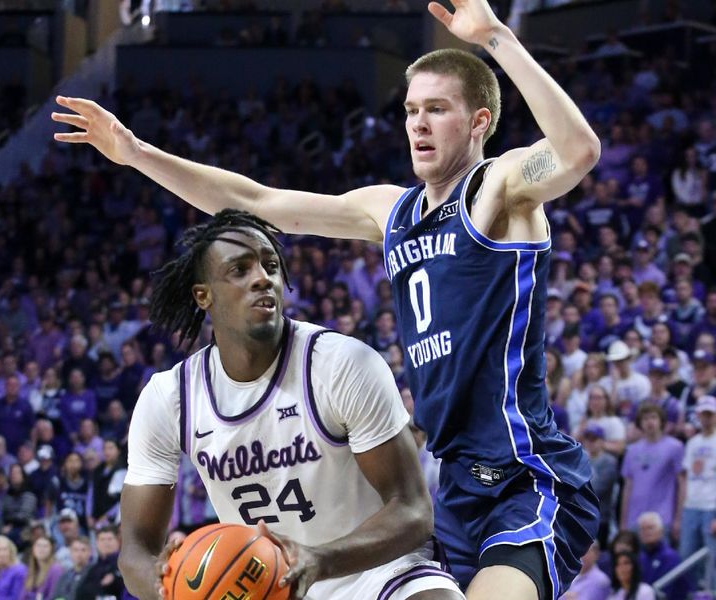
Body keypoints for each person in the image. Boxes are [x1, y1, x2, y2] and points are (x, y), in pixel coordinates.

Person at [54, 1, 601, 597]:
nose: (417, 123)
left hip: (525, 474)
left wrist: (496, 37)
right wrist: (136, 152)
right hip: (456, 484)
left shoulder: (498, 189)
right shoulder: (389, 209)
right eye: (411, 110)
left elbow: (578, 152)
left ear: (479, 122)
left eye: (437, 110)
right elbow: (255, 202)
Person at [117, 212, 463, 600]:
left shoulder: (341, 363)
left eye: (270, 265)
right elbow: (135, 546)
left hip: (379, 574)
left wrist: (318, 560)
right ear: (204, 295)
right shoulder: (169, 397)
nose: (263, 277)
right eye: (240, 269)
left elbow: (413, 511)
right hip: (265, 587)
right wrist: (166, 586)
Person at [620, 404, 685, 535]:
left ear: (661, 421)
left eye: (653, 417)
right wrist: (623, 522)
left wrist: (678, 518)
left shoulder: (675, 447)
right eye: (645, 419)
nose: (650, 422)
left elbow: (682, 484)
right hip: (635, 519)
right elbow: (627, 488)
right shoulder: (632, 450)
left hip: (662, 519)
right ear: (639, 423)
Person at [679, 395, 716, 591]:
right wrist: (680, 510)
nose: (706, 418)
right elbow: (685, 477)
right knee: (686, 556)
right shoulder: (692, 442)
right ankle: (692, 594)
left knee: (713, 559)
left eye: (710, 414)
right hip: (691, 504)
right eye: (703, 414)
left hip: (712, 506)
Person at [73, 525, 124, 600]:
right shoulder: (93, 568)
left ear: (118, 542)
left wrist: (115, 578)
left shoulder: (124, 565)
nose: (106, 542)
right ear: (97, 543)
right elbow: (80, 593)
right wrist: (100, 585)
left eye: (110, 539)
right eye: (102, 539)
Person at [0, 535, 28, 600]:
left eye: (5, 549)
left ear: (10, 552)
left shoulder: (20, 571)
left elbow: (17, 597)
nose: (2, 554)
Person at [20, 535, 64, 600]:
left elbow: (54, 596)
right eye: (38, 545)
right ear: (33, 549)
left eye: (45, 546)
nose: (41, 549)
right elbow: (23, 596)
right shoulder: (32, 570)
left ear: (51, 550)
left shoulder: (56, 569)